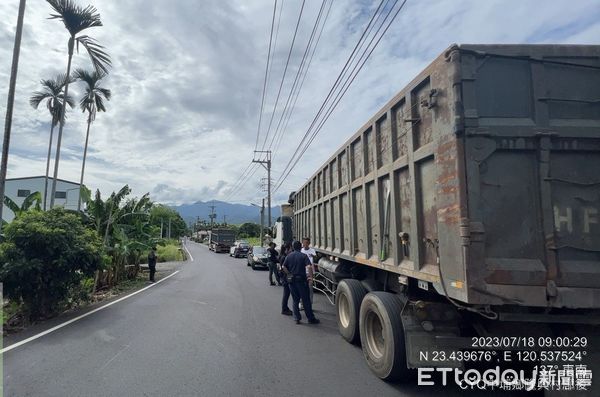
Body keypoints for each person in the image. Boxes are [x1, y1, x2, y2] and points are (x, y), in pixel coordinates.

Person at [282, 241, 320, 325]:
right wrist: (310, 277)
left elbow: (283, 266)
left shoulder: (289, 256)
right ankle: (310, 318)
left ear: (292, 247)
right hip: (301, 281)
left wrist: (289, 274)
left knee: (295, 300)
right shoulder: (303, 256)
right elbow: (309, 267)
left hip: (292, 281)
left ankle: (297, 318)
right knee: (306, 300)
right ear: (300, 247)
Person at [301, 237, 317, 304]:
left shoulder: (312, 250)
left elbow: (316, 257)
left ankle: (310, 303)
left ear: (309, 243)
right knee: (302, 289)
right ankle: (302, 303)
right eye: (304, 242)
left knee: (310, 289)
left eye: (307, 243)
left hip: (310, 273)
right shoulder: (301, 250)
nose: (306, 244)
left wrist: (313, 256)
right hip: (302, 272)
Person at [278, 243, 293, 316]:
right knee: (286, 294)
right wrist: (290, 275)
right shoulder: (284, 257)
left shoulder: (282, 256)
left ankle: (285, 308)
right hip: (285, 277)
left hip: (284, 277)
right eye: (290, 249)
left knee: (286, 293)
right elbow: (284, 268)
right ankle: (284, 309)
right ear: (286, 249)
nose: (290, 250)